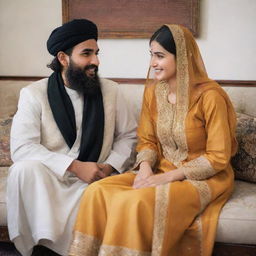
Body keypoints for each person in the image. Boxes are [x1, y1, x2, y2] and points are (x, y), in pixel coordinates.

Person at [68, 24, 238, 256]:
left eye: (160, 56)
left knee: (135, 202)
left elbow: (218, 158)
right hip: (161, 169)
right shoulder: (154, 92)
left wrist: (165, 179)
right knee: (96, 191)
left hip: (206, 178)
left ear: (183, 58)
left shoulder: (211, 97)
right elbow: (147, 140)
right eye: (151, 55)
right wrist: (146, 169)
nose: (152, 63)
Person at [6, 19, 137, 256]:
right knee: (22, 170)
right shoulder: (34, 94)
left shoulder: (111, 91)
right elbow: (22, 148)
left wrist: (108, 167)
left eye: (96, 53)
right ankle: (42, 248)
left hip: (96, 179)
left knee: (104, 193)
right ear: (63, 58)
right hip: (54, 180)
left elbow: (129, 136)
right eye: (87, 53)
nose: (96, 61)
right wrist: (75, 167)